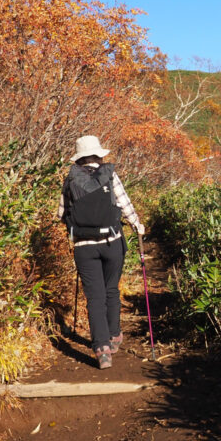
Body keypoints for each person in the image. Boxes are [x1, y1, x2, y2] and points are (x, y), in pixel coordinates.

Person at [58, 135, 144, 370]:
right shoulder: (109, 174)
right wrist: (137, 225)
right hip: (111, 242)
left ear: (79, 157)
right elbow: (125, 205)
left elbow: (61, 213)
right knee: (111, 290)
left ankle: (101, 350)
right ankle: (115, 336)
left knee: (94, 297)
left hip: (84, 247)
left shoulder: (71, 179)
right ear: (99, 154)